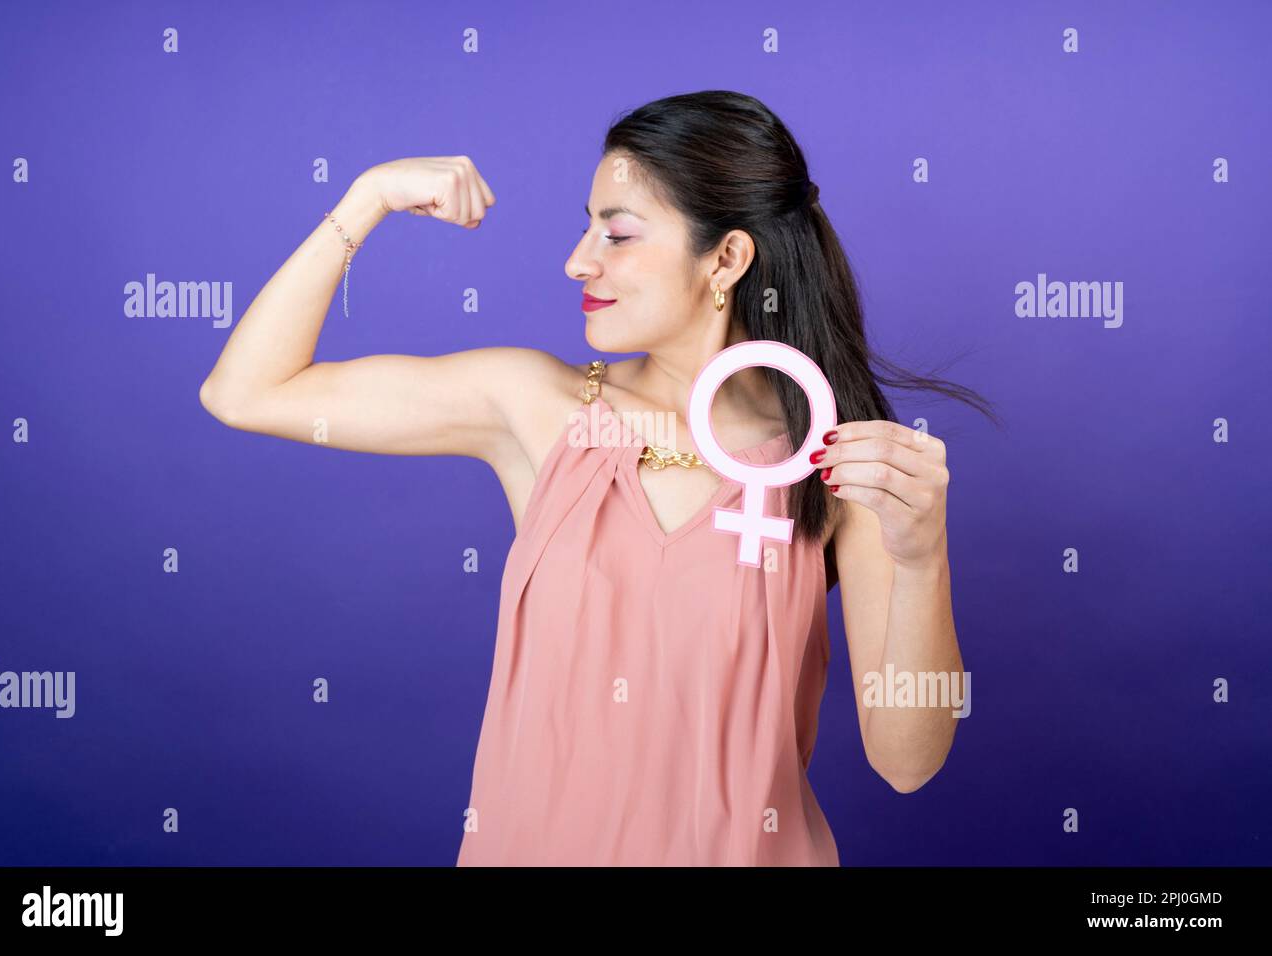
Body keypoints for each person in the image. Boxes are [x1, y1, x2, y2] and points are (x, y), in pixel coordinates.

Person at [199, 90, 995, 866]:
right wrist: (366, 198)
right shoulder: (533, 405)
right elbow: (243, 392)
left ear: (726, 257)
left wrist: (923, 556)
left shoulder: (829, 460)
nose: (579, 260)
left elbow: (907, 762)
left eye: (616, 233)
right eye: (585, 229)